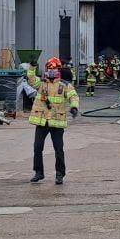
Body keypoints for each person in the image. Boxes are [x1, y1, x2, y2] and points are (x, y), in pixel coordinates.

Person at [24, 56, 80, 184]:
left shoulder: (65, 85)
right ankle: (38, 172)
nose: (51, 71)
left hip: (57, 122)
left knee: (58, 149)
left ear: (59, 70)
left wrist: (74, 107)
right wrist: (32, 66)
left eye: (54, 69)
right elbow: (31, 79)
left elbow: (74, 97)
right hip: (42, 121)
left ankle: (60, 174)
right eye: (49, 68)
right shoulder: (41, 83)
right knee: (37, 148)